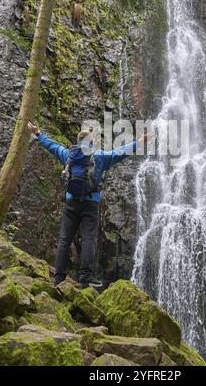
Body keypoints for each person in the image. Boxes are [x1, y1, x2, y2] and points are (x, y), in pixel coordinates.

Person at [27, 122, 152, 288]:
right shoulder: (99, 157)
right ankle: (85, 278)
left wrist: (38, 133)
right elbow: (120, 152)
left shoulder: (68, 155)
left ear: (78, 142)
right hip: (91, 203)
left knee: (65, 239)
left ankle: (58, 277)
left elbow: (52, 146)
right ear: (91, 142)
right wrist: (140, 142)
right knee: (89, 239)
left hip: (71, 202)